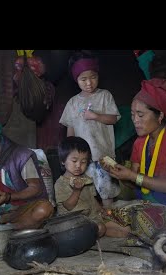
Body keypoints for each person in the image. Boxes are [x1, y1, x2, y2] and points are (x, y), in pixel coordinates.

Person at [102, 78, 166, 237]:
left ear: (160, 116)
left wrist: (132, 175)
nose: (135, 121)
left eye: (140, 115)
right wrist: (120, 174)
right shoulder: (140, 143)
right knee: (104, 215)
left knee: (137, 222)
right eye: (132, 115)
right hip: (149, 204)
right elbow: (134, 183)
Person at [59, 53, 121, 208]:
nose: (89, 83)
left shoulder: (104, 96)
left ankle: (110, 216)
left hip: (103, 155)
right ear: (76, 80)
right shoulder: (72, 103)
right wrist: (69, 155)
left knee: (106, 190)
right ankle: (96, 218)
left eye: (93, 77)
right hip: (82, 159)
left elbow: (113, 119)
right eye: (83, 79)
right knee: (87, 191)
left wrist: (95, 116)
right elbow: (70, 131)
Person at [54, 136, 106, 237]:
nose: (78, 165)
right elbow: (68, 206)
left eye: (83, 162)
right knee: (99, 228)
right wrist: (76, 191)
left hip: (90, 217)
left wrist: (101, 209)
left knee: (108, 226)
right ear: (63, 161)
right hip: (72, 222)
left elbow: (92, 198)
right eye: (74, 161)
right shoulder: (61, 183)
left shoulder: (86, 179)